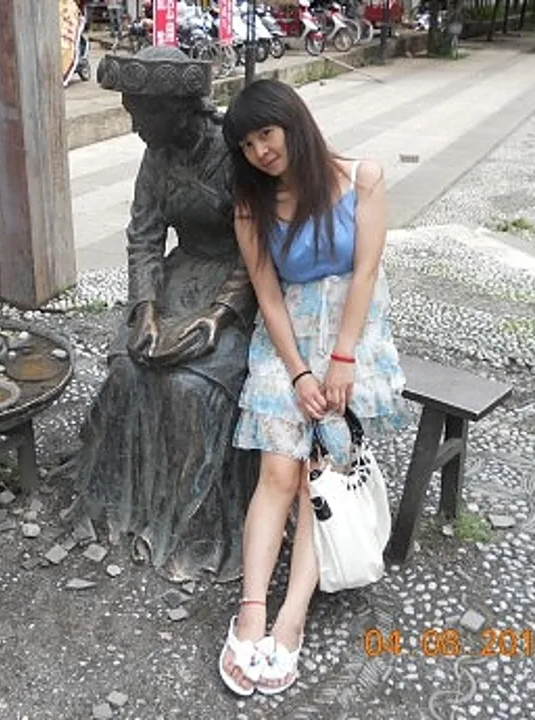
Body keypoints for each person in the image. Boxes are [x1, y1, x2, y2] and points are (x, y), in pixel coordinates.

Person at [217, 79, 408, 696]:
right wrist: (299, 371)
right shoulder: (251, 204)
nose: (260, 151)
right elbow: (267, 293)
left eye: (265, 133)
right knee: (278, 469)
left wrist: (342, 359)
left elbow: (366, 271)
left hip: (352, 340)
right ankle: (252, 611)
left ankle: (291, 617)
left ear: (292, 122)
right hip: (287, 343)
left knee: (316, 473)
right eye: (247, 145)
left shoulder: (363, 178)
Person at [68, 47, 260, 582]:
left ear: (177, 109)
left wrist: (219, 315)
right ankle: (122, 503)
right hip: (178, 278)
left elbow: (260, 245)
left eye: (140, 114)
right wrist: (145, 308)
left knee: (191, 389)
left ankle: (196, 527)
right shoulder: (156, 157)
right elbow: (145, 237)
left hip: (239, 282)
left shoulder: (233, 152)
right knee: (128, 368)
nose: (134, 126)